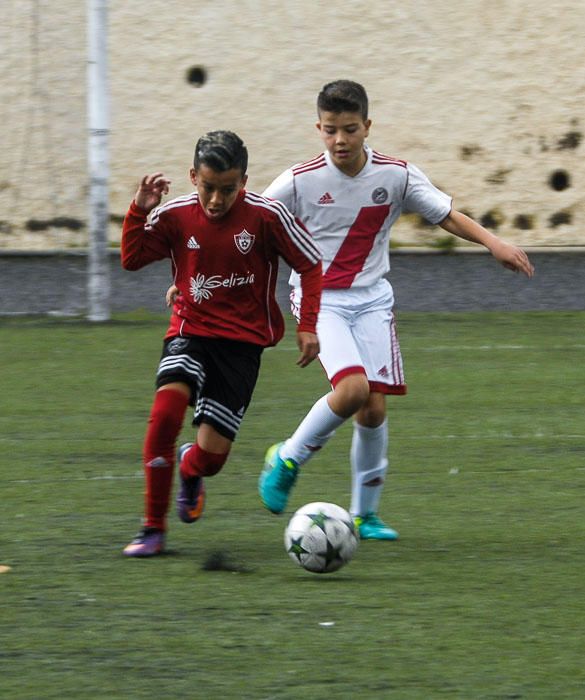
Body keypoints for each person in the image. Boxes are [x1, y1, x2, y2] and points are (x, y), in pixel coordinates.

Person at [257, 79, 534, 540]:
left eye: (349, 129)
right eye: (330, 130)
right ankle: (287, 457)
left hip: (371, 301)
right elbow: (253, 225)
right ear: (318, 128)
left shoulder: (397, 175)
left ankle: (364, 515)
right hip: (319, 298)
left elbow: (444, 214)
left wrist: (493, 243)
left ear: (367, 126)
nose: (340, 140)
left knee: (373, 409)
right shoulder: (299, 180)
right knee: (351, 392)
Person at [121, 130, 322, 557]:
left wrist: (308, 324)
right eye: (208, 188)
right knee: (164, 413)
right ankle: (151, 529)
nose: (216, 200)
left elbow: (310, 263)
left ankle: (191, 468)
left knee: (211, 460)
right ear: (193, 176)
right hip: (189, 331)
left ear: (243, 182)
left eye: (227, 190)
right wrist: (139, 210)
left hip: (242, 346)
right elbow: (132, 257)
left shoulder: (268, 217)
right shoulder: (176, 215)